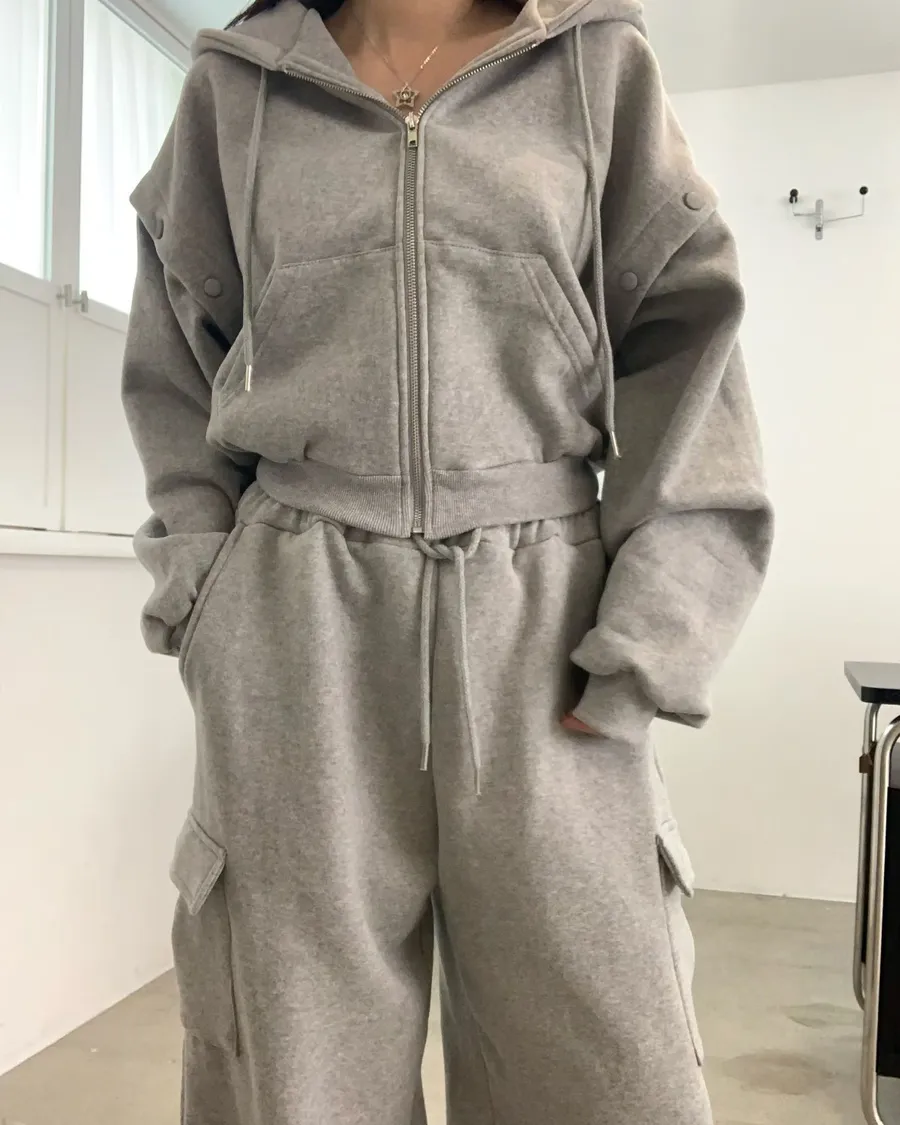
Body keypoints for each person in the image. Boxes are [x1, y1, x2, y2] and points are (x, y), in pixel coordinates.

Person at [122, 0, 774, 1122]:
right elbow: (176, 361)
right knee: (299, 1075)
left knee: (612, 1068)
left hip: (545, 624)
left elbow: (688, 341)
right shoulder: (237, 84)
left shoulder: (597, 62)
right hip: (298, 629)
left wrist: (655, 632)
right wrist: (208, 598)